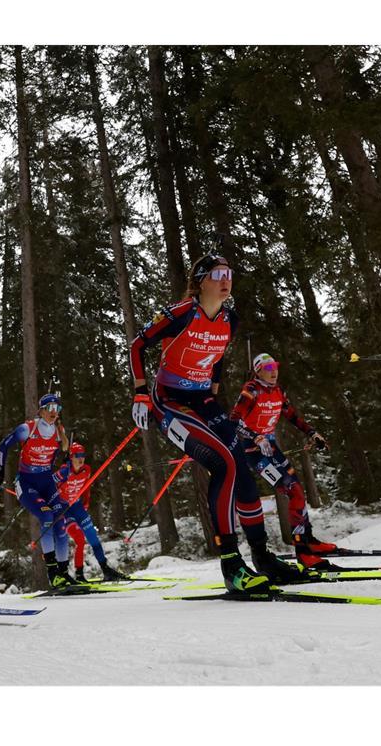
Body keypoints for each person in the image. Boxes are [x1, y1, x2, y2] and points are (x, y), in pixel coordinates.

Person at [129, 252, 307, 593]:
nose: (226, 280)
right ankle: (230, 563)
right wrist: (139, 392)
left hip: (202, 400)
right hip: (169, 402)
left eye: (229, 273)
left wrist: (211, 391)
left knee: (240, 462)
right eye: (217, 274)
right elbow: (138, 345)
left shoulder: (230, 319)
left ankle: (262, 556)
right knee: (223, 463)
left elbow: (218, 357)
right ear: (200, 282)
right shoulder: (181, 313)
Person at [229, 352, 335, 568]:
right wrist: (255, 436)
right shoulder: (251, 390)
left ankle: (308, 541)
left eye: (275, 367)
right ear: (258, 371)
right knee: (292, 491)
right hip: (253, 451)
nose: (273, 371)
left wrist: (312, 433)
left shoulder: (278, 391)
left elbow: (293, 416)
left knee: (298, 491)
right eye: (268, 368)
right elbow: (234, 420)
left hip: (271, 448)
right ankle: (302, 551)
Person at [0, 393, 78, 587]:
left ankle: (64, 573)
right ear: (42, 410)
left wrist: (66, 461)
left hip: (47, 483)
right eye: (51, 408)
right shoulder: (28, 429)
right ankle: (53, 573)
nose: (54, 413)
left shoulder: (58, 431)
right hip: (27, 483)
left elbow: (63, 451)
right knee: (47, 516)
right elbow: (4, 445)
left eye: (58, 409)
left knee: (61, 522)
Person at [54, 442, 127, 582]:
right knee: (80, 540)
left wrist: (86, 502)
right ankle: (79, 575)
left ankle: (106, 569)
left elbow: (86, 487)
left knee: (93, 538)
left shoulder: (86, 470)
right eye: (77, 456)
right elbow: (50, 486)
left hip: (78, 508)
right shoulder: (64, 471)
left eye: (83, 455)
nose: (81, 459)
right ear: (71, 457)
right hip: (65, 511)